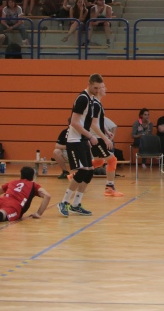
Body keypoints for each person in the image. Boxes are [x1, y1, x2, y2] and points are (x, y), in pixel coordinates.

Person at [58, 73, 107, 217]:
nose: (98, 91)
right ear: (89, 84)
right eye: (95, 88)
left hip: (83, 140)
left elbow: (89, 122)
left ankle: (76, 204)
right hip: (75, 140)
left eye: (100, 88)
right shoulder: (83, 99)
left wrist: (91, 137)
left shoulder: (91, 99)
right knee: (82, 171)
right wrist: (90, 136)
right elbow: (74, 122)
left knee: (89, 172)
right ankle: (64, 202)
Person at [91, 86, 123, 197]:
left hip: (98, 136)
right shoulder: (95, 104)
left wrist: (106, 131)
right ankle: (109, 188)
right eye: (103, 87)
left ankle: (77, 175)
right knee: (112, 160)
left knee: (99, 162)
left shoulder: (98, 103)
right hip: (96, 138)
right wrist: (105, 138)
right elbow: (92, 124)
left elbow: (98, 122)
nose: (106, 89)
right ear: (97, 90)